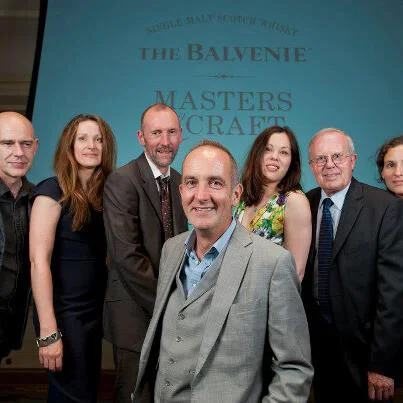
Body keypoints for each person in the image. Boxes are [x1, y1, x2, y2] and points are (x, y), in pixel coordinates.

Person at [133, 140, 313, 403]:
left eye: (215, 183)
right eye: (191, 183)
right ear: (181, 191)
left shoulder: (273, 263)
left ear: (236, 194)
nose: (201, 195)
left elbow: (294, 369)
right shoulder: (171, 250)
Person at [302, 128, 403, 402]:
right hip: (316, 349)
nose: (329, 165)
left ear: (353, 160)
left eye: (337, 156)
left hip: (364, 352)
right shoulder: (305, 204)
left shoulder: (385, 207)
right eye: (320, 159)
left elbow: (392, 294)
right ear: (311, 166)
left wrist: (382, 363)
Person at [103, 103, 187, 403]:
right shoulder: (122, 180)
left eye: (172, 132)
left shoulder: (181, 182)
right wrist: (167, 307)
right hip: (135, 313)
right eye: (156, 133)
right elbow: (127, 257)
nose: (165, 141)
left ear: (180, 136)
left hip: (174, 314)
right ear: (141, 137)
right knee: (135, 395)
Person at [29, 114, 116, 402]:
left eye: (98, 139)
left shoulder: (106, 196)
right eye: (83, 138)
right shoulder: (51, 192)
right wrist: (48, 332)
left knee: (86, 393)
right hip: (63, 313)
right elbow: (38, 262)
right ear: (70, 145)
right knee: (71, 395)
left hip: (92, 312)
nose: (92, 145)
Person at [235, 126, 311, 280]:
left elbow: (295, 272)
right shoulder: (245, 198)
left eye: (283, 152)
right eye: (268, 149)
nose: (274, 157)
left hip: (270, 294)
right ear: (257, 154)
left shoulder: (294, 200)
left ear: (292, 162)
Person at [0, 112, 38, 361]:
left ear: (35, 147)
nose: (19, 152)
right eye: (7, 143)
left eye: (25, 144)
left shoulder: (39, 199)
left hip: (8, 326)